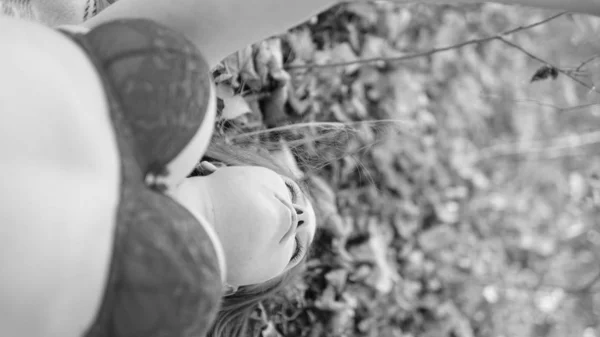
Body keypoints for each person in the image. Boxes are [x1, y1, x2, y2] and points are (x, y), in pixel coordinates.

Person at [2, 0, 599, 336]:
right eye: (296, 194)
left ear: (234, 288)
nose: (298, 216)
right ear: (218, 166)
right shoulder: (169, 111)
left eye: (294, 247)